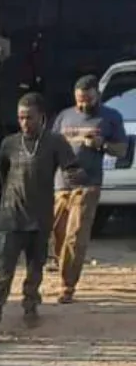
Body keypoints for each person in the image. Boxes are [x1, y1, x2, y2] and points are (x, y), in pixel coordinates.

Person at [0, 94, 80, 336]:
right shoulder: (9, 144)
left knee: (35, 269)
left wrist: (77, 178)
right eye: (21, 118)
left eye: (29, 118)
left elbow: (71, 167)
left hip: (41, 218)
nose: (25, 123)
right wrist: (2, 207)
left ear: (41, 117)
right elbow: (3, 175)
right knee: (3, 269)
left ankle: (30, 306)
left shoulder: (55, 142)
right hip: (12, 217)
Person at [50, 76, 129, 303]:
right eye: (79, 100)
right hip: (61, 184)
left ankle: (67, 286)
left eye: (88, 99)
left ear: (97, 95)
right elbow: (51, 147)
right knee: (57, 234)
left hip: (88, 184)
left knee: (75, 235)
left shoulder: (110, 117)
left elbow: (121, 150)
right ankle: (62, 265)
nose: (83, 104)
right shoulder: (64, 116)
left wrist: (101, 144)